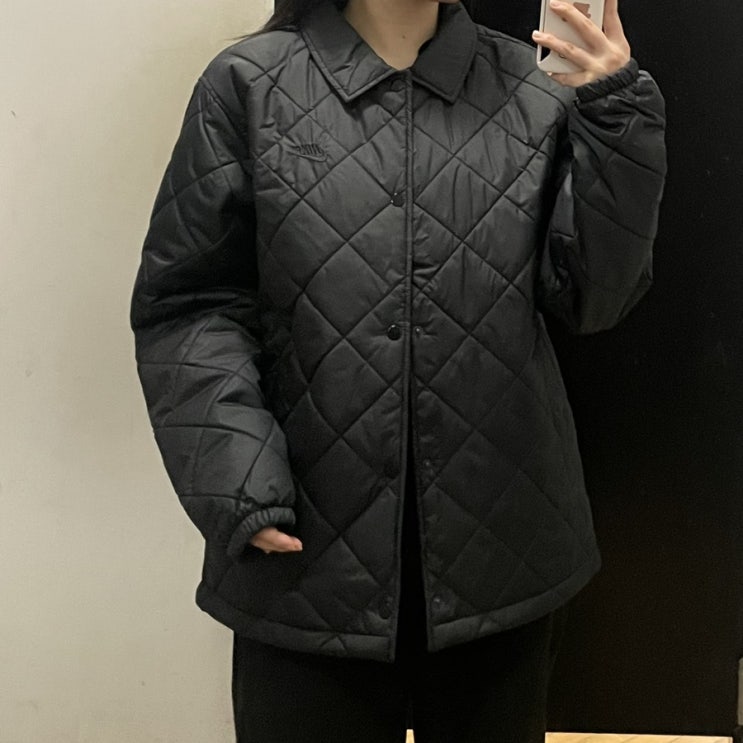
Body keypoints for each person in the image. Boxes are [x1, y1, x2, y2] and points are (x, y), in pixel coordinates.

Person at [129, 0, 666, 740]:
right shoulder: (248, 84)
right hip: (306, 558)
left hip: (502, 553)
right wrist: (238, 478)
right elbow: (191, 305)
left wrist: (617, 112)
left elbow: (593, 298)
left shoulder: (534, 88)